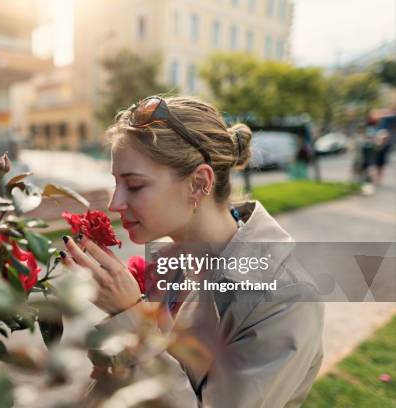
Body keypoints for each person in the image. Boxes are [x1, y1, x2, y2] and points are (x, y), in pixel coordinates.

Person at [60, 96, 324, 407]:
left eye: (134, 185)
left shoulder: (285, 298)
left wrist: (130, 318)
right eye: (116, 182)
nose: (114, 203)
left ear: (199, 183)